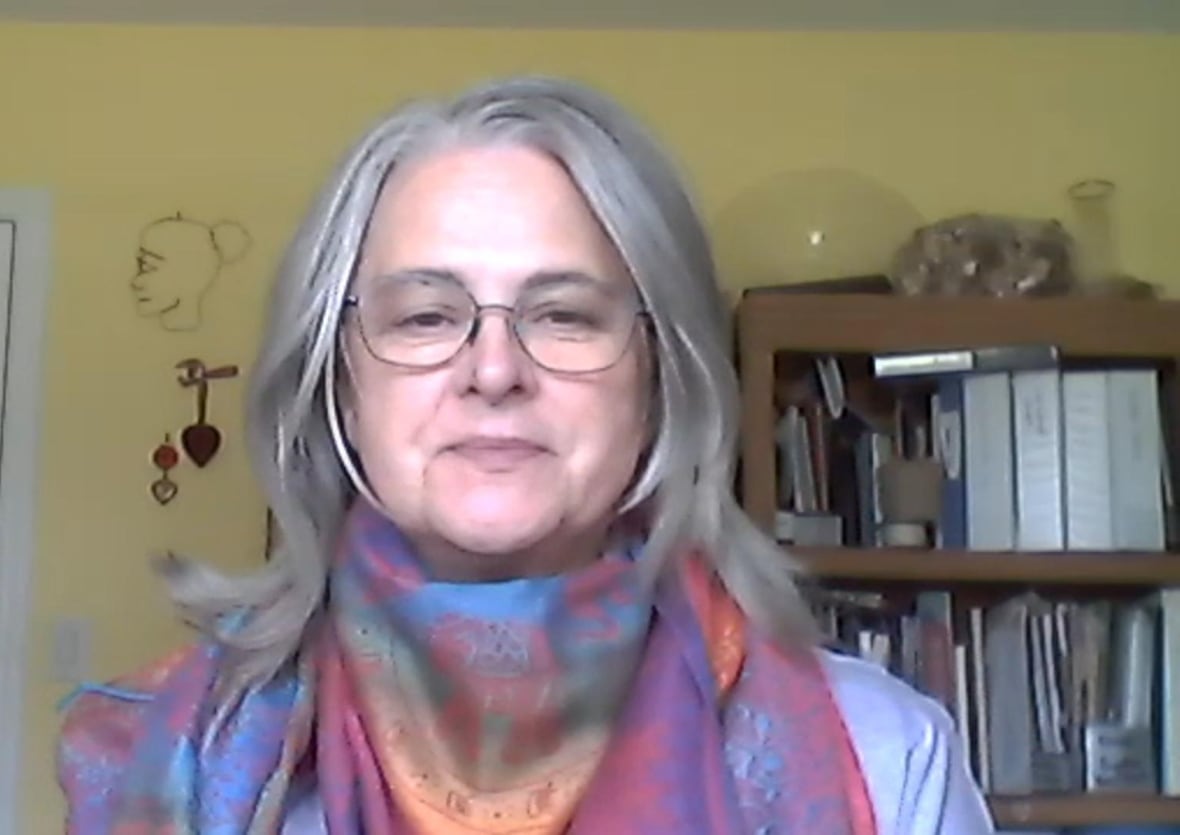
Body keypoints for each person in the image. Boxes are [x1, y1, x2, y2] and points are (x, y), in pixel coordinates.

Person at [58, 75, 995, 834]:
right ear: (339, 383)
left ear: (660, 378)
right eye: (426, 316)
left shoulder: (883, 753)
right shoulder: (172, 754)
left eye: (565, 315)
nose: (494, 369)